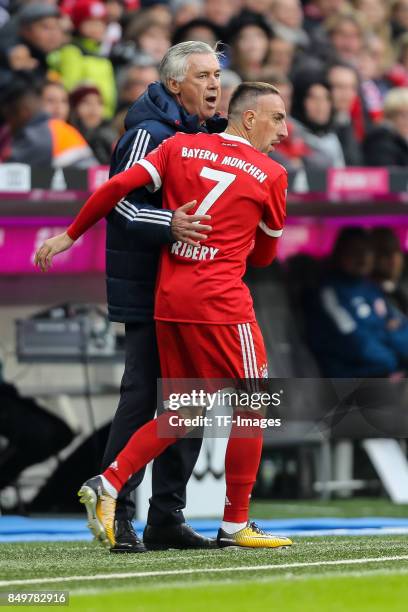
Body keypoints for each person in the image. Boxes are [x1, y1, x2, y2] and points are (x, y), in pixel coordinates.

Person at [35, 81, 293, 551]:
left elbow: (115, 187)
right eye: (277, 118)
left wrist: (68, 236)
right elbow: (264, 259)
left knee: (185, 408)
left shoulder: (179, 147)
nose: (284, 130)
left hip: (170, 300)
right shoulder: (270, 174)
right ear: (249, 117)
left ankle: (107, 484)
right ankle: (236, 523)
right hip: (221, 304)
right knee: (255, 403)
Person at [36, 41, 225, 554]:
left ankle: (167, 517)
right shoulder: (148, 132)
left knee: (188, 399)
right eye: (203, 75)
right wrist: (171, 222)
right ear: (174, 84)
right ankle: (118, 511)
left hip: (189, 291)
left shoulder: (207, 135)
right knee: (143, 399)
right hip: (148, 288)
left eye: (217, 74)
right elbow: (120, 204)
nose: (214, 84)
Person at [303, 227, 408, 378]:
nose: (363, 258)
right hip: (348, 380)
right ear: (340, 255)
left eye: (367, 251)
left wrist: (383, 336)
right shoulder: (329, 293)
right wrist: (388, 341)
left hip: (385, 371)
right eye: (355, 252)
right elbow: (353, 341)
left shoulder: (371, 288)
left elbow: (400, 325)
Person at [0, 75, 96, 168]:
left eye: (64, 101)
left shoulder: (43, 133)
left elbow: (7, 169)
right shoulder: (59, 129)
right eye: (50, 101)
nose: (58, 107)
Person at [363, 87, 408, 166]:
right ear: (391, 116)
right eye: (404, 115)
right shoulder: (381, 141)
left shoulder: (402, 139)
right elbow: (394, 175)